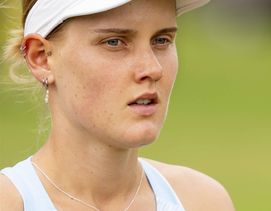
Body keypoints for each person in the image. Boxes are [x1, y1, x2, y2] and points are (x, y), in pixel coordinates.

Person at [0, 0, 235, 210]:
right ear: (41, 57)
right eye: (114, 42)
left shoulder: (202, 201)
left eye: (162, 40)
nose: (152, 69)